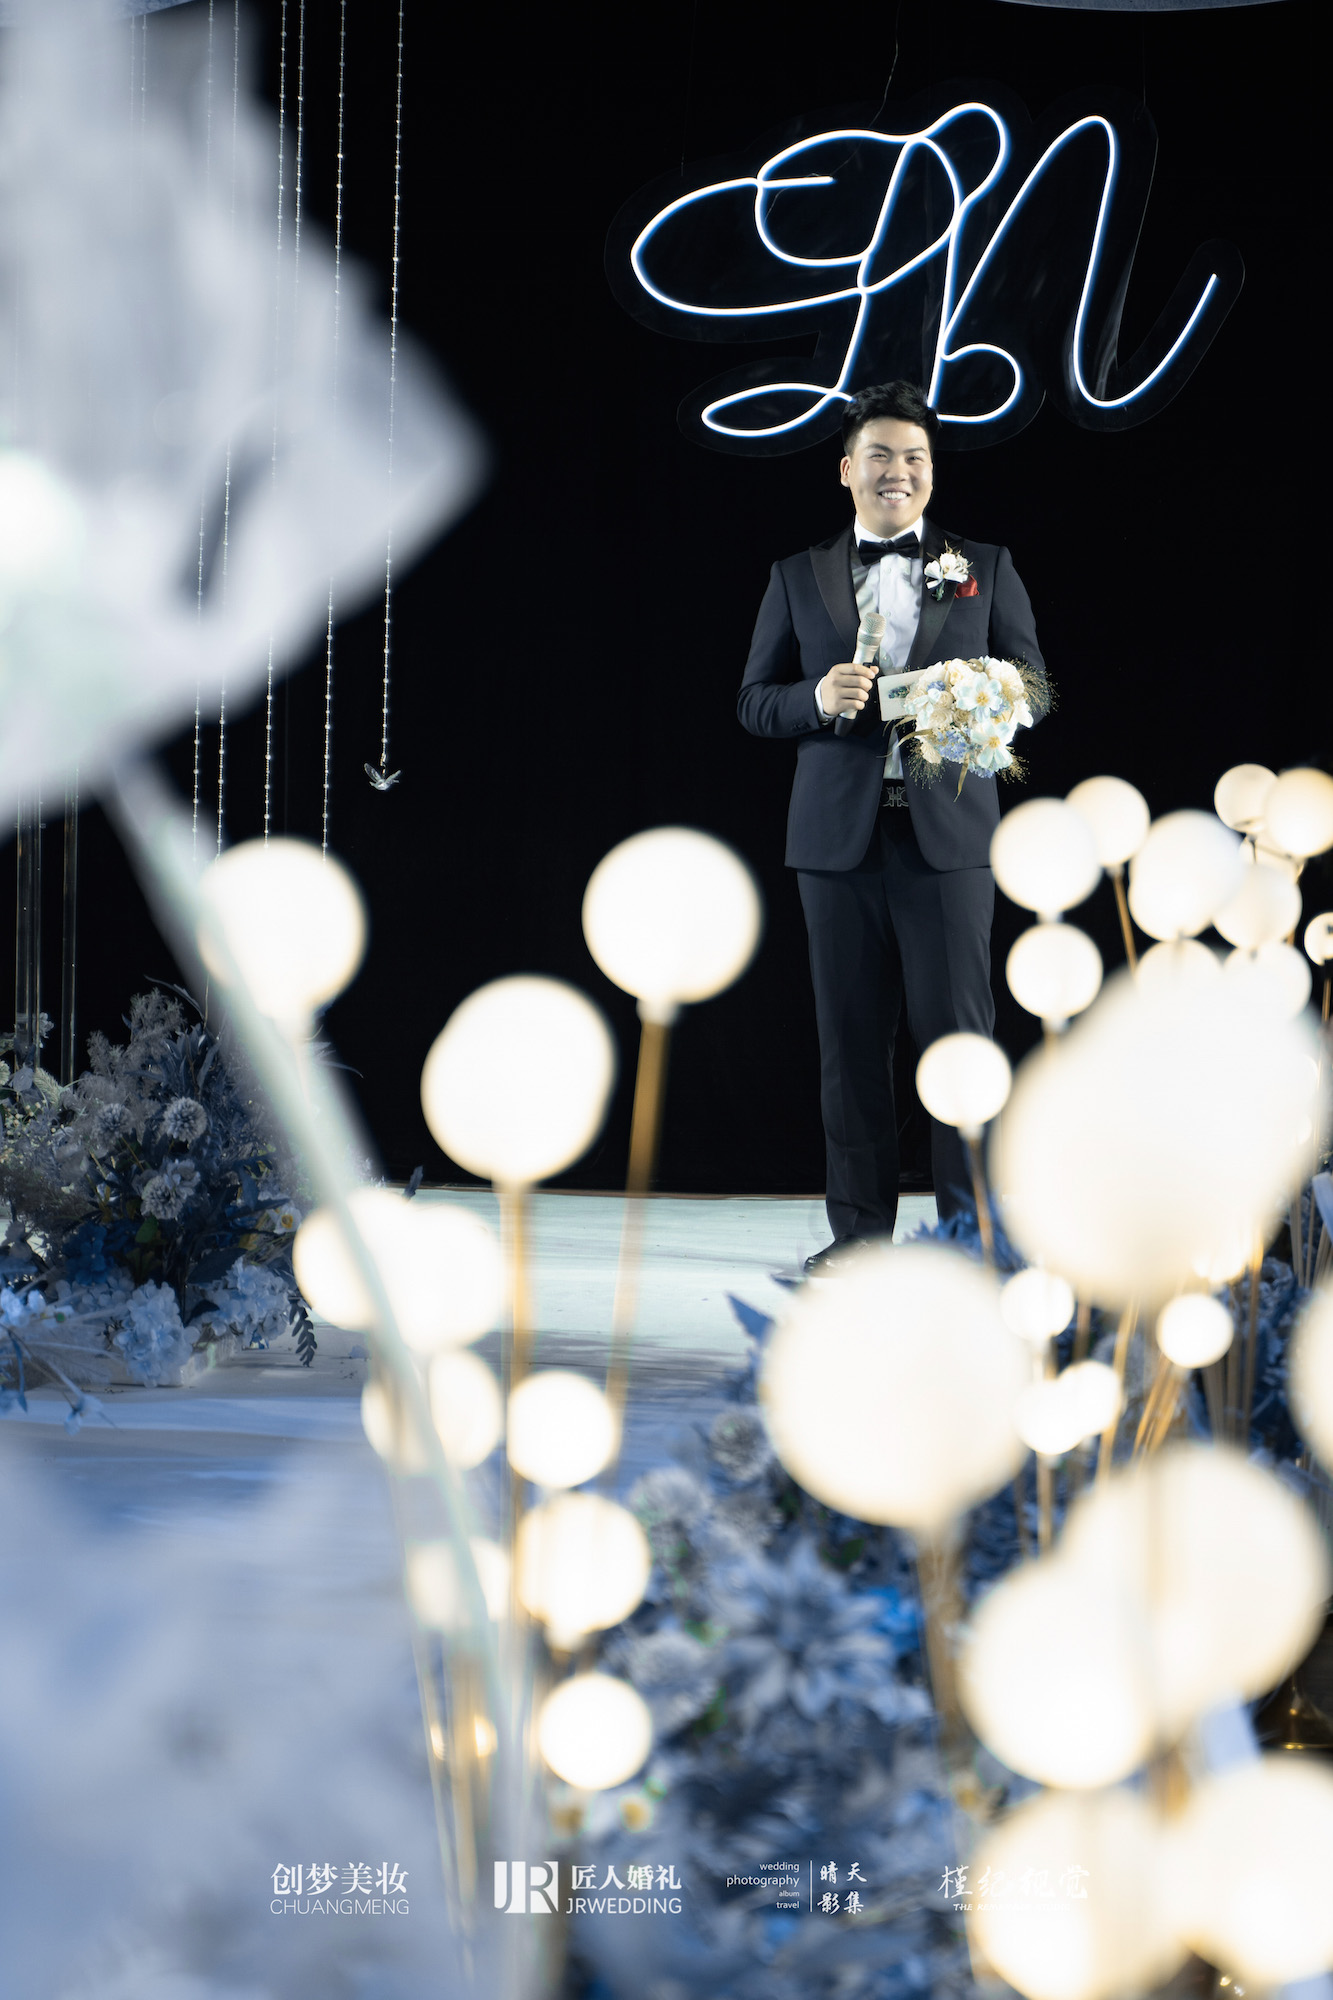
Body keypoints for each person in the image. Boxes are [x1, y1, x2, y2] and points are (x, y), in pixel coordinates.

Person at [737, 380, 1047, 1269]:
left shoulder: (984, 563)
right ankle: (859, 1239)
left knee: (961, 1047)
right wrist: (813, 697)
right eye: (878, 455)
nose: (897, 471)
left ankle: (968, 1238)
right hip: (834, 848)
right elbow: (753, 701)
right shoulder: (793, 575)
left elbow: (1029, 687)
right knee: (849, 1049)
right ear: (846, 470)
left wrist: (958, 696)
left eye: (913, 457)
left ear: (930, 473)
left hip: (948, 844)